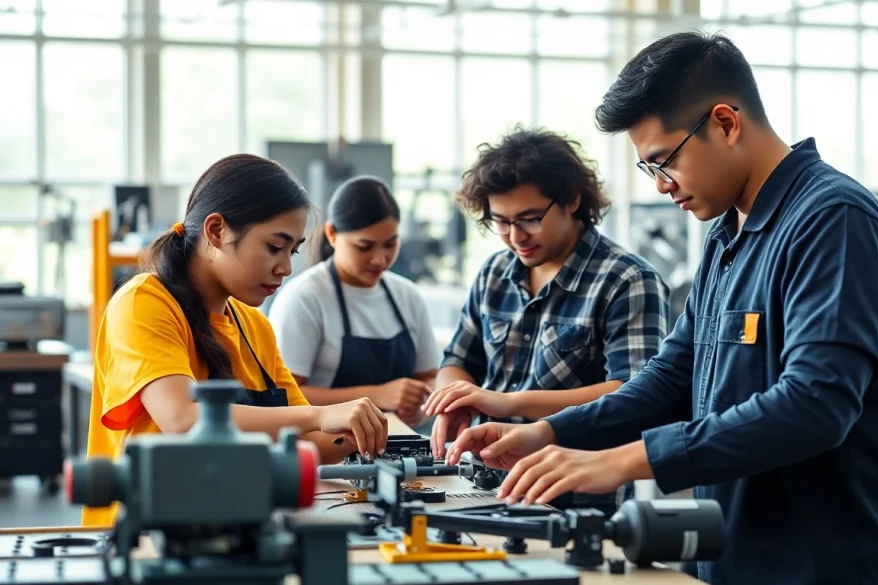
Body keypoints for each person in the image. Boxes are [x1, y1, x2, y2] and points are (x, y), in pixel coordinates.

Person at [446, 31, 878, 585]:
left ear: (725, 122)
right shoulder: (727, 235)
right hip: (733, 553)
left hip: (829, 563)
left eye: (663, 161)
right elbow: (673, 377)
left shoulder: (835, 221)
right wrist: (549, 432)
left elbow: (814, 405)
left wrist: (620, 461)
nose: (662, 186)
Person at [82, 154, 388, 527]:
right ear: (216, 231)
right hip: (148, 535)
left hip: (231, 528)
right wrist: (322, 414)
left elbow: (306, 440)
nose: (286, 268)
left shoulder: (253, 326)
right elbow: (182, 419)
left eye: (292, 252)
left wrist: (362, 431)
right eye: (275, 247)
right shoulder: (144, 303)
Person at [424, 126, 672, 512]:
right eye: (500, 222)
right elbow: (458, 361)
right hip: (480, 486)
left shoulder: (628, 281)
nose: (514, 237)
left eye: (529, 219)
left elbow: (633, 394)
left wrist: (505, 402)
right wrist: (455, 400)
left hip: (576, 500)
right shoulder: (494, 272)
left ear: (572, 199)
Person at [268, 176, 438, 428]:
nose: (379, 259)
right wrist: (377, 395)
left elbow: (429, 377)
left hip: (401, 441)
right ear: (332, 234)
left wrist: (421, 408)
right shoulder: (305, 298)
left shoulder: (408, 296)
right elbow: (285, 397)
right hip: (328, 446)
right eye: (364, 246)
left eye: (390, 244)